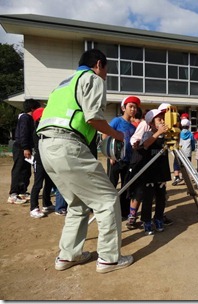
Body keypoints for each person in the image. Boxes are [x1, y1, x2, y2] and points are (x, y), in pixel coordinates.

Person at [37, 49, 133, 273]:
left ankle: (68, 256)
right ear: (99, 64)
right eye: (107, 69)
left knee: (77, 204)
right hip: (68, 145)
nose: (107, 74)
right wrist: (118, 135)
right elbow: (93, 118)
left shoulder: (63, 85)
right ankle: (109, 259)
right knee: (108, 199)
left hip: (46, 146)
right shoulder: (92, 78)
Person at [137, 108, 171, 235]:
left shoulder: (166, 136)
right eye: (159, 119)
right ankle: (146, 220)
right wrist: (158, 133)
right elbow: (145, 144)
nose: (162, 121)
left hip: (161, 171)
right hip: (149, 172)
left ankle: (158, 218)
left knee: (161, 198)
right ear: (151, 123)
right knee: (148, 198)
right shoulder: (148, 134)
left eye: (163, 118)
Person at [104, 95, 140, 219]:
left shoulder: (133, 127)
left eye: (135, 107)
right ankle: (106, 211)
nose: (133, 109)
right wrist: (110, 155)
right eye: (131, 106)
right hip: (115, 160)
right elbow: (105, 135)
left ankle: (123, 212)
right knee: (111, 185)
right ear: (124, 108)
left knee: (125, 186)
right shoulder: (116, 121)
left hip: (127, 160)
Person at [8, 99, 41, 204]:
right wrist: (25, 148)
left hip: (26, 148)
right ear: (32, 109)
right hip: (20, 147)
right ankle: (13, 194)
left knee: (26, 170)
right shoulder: (25, 118)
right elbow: (23, 134)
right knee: (18, 169)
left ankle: (22, 191)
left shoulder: (30, 119)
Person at [29, 107, 56, 218]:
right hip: (39, 161)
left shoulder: (47, 129)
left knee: (49, 182)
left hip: (48, 159)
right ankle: (34, 208)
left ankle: (47, 203)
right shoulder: (37, 131)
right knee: (38, 184)